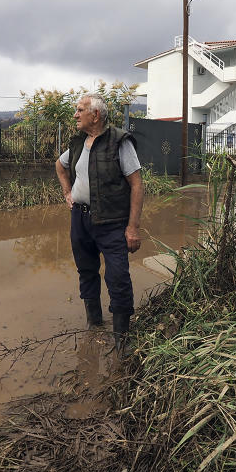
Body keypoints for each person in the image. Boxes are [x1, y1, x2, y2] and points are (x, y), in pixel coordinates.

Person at [54, 93, 143, 353]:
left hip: (112, 223)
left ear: (96, 114)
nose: (75, 114)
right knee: (87, 271)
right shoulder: (79, 144)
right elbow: (59, 166)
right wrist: (67, 193)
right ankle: (94, 325)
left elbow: (137, 185)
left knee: (118, 277)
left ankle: (121, 339)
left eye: (80, 109)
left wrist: (132, 227)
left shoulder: (119, 142)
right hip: (80, 220)